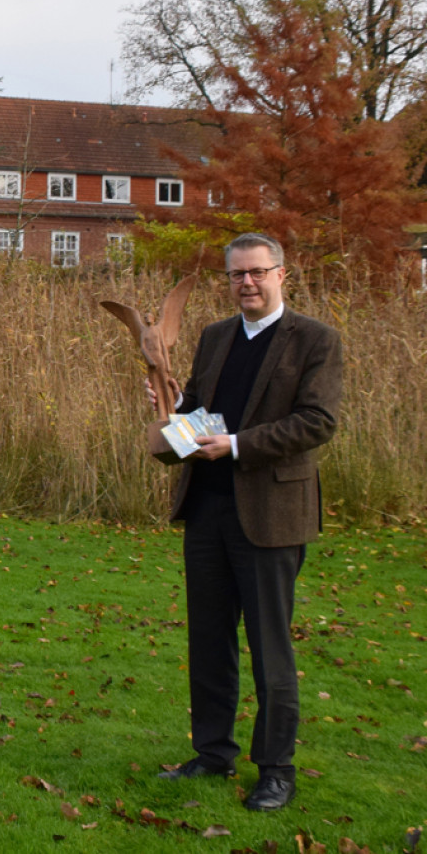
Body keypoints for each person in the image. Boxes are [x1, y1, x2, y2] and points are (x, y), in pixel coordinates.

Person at [147, 233, 342, 811]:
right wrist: (170, 414)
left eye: (257, 272)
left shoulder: (315, 340)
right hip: (207, 509)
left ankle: (276, 769)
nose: (247, 283)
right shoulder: (215, 337)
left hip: (272, 515)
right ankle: (212, 754)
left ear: (283, 274)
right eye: (237, 275)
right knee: (209, 641)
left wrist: (234, 444)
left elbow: (317, 421)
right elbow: (199, 409)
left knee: (270, 646)